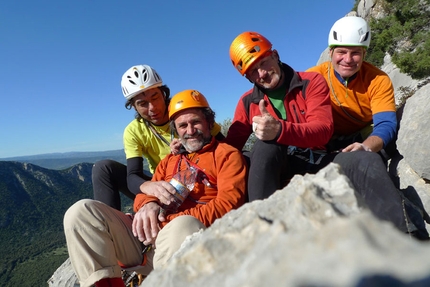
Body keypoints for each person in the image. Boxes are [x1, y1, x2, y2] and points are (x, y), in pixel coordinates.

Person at [63, 89, 247, 287]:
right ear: (176, 130)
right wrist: (148, 204)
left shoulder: (227, 156)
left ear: (209, 123)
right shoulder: (170, 160)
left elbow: (227, 206)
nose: (190, 130)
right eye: (183, 126)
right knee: (80, 213)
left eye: (196, 122)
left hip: (182, 241)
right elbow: (143, 196)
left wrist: (167, 222)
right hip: (146, 243)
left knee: (183, 224)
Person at [307, 16, 429, 240]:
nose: (348, 59)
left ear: (364, 54)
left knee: (370, 162)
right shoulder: (313, 76)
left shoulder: (377, 79)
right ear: (331, 52)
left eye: (356, 53)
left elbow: (385, 124)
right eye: (341, 52)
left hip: (363, 137)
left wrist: (365, 147)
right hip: (327, 141)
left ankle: (406, 235)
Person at [92, 65, 224, 211]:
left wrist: (190, 143)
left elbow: (226, 145)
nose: (152, 108)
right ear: (134, 107)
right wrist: (150, 187)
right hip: (160, 182)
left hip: (196, 178)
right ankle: (112, 225)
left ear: (164, 94)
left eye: (155, 97)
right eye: (142, 104)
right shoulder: (134, 130)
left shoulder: (184, 111)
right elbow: (132, 176)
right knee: (103, 168)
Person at [226, 31, 334, 201]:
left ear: (275, 55)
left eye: (263, 62)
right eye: (253, 71)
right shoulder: (247, 102)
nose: (262, 74)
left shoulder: (311, 82)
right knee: (263, 147)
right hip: (278, 164)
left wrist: (279, 130)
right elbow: (230, 148)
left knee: (364, 160)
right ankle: (262, 221)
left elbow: (323, 130)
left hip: (315, 159)